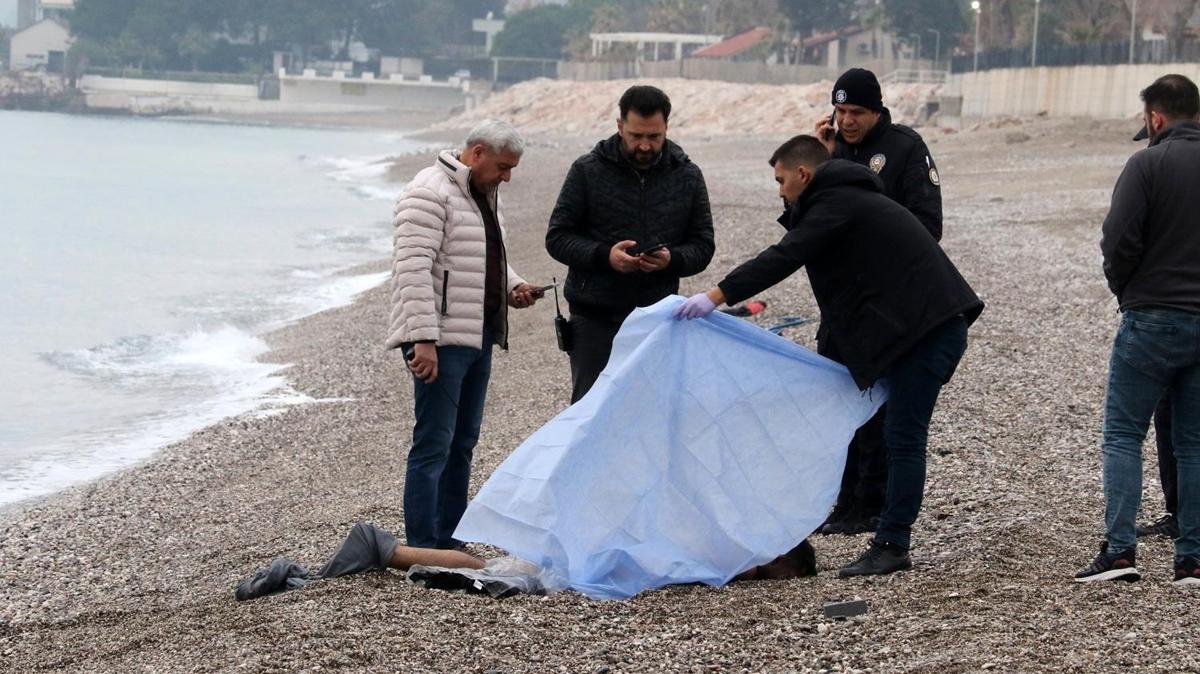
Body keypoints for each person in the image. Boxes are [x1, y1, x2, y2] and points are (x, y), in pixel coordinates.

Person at [675, 134, 983, 577]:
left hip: (929, 332)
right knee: (888, 431)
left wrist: (716, 295)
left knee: (903, 438)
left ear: (803, 174)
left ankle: (892, 544)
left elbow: (788, 253)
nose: (780, 191)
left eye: (782, 181)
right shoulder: (842, 198)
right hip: (917, 329)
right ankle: (876, 527)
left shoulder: (840, 202)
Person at [386, 119, 543, 549]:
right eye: (504, 166)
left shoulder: (483, 193)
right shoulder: (427, 193)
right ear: (476, 154)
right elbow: (412, 271)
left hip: (476, 334)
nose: (508, 177)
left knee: (463, 443)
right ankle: (423, 543)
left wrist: (513, 287)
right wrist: (422, 340)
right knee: (434, 443)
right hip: (439, 339)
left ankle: (451, 537)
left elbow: (486, 256)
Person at [1074, 74, 1200, 585]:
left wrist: (1127, 291)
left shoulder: (1146, 163)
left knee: (1123, 434)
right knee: (1193, 443)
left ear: (1155, 117)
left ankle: (1121, 551)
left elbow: (1117, 241)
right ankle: (1192, 559)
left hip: (1151, 315)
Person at [810, 68, 945, 536]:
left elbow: (929, 226)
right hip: (841, 303)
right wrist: (821, 158)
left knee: (879, 410)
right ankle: (843, 502)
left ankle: (872, 504)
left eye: (857, 113)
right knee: (837, 403)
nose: (847, 121)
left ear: (877, 110)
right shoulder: (831, 152)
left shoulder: (905, 148)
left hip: (887, 304)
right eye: (840, 111)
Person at [546, 85, 715, 403]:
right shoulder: (586, 171)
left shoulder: (688, 176)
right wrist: (604, 256)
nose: (645, 146)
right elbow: (557, 238)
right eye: (636, 136)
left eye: (654, 137)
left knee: (651, 411)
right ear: (619, 125)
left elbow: (703, 245)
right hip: (593, 317)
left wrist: (672, 260)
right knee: (590, 410)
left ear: (667, 127)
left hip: (658, 317)